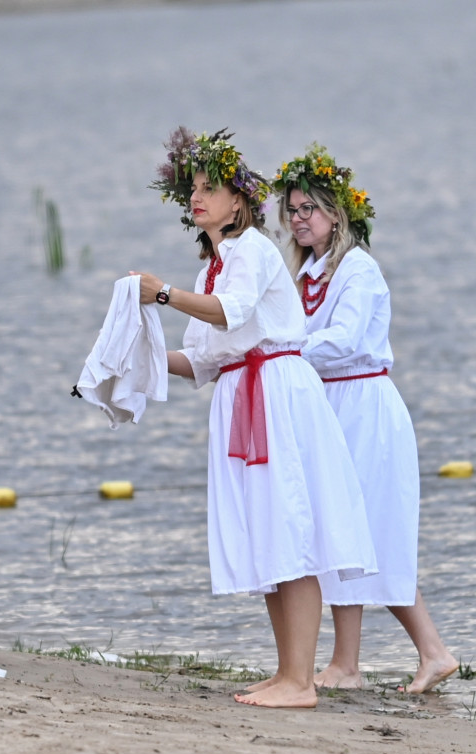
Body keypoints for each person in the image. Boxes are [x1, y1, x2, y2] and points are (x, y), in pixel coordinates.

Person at [130, 128, 378, 708]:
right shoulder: (213, 266)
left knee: (291, 524)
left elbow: (232, 313)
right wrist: (136, 364)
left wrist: (160, 294)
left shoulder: (256, 251)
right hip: (243, 394)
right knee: (269, 531)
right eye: (192, 188)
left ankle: (301, 682)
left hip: (278, 393)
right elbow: (203, 358)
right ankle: (287, 671)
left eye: (209, 188)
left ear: (238, 201)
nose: (197, 197)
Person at [273, 144, 457, 694]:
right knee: (341, 530)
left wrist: (284, 350)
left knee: (370, 531)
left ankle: (431, 650)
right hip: (329, 405)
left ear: (336, 213)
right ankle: (348, 663)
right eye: (293, 210)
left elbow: (347, 340)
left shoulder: (359, 269)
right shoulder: (302, 272)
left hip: (364, 404)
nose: (299, 218)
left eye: (309, 208)